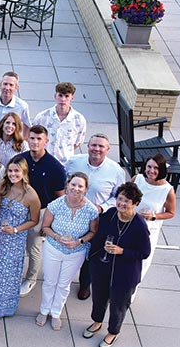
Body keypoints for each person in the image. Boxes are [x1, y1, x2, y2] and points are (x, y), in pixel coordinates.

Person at [85, 182, 151, 347]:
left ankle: (113, 332)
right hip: (103, 265)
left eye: (127, 201)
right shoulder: (111, 214)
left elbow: (144, 252)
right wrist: (93, 256)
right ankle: (97, 321)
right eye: (120, 199)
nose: (122, 203)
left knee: (118, 303)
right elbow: (99, 235)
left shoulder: (139, 225)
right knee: (99, 296)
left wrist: (122, 251)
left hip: (125, 272)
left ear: (135, 204)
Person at [0, 159, 42, 318]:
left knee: (6, 271)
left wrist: (16, 229)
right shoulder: (4, 186)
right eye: (10, 171)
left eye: (16, 171)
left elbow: (34, 220)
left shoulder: (31, 195)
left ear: (24, 172)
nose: (13, 174)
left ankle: (1, 306)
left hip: (14, 239)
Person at [66, 134, 129, 300]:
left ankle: (85, 284)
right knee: (68, 245)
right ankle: (63, 279)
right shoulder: (74, 161)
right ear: (88, 146)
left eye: (101, 146)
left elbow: (118, 196)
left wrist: (102, 207)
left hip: (97, 218)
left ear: (108, 150)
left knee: (91, 253)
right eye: (94, 145)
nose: (97, 149)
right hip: (72, 214)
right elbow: (64, 182)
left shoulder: (116, 171)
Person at [38, 172, 100, 331]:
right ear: (67, 185)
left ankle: (56, 312)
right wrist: (57, 237)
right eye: (73, 184)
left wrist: (78, 241)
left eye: (80, 186)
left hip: (76, 252)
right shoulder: (55, 205)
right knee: (50, 281)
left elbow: (93, 232)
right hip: (53, 248)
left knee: (63, 284)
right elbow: (45, 227)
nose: (76, 188)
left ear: (86, 190)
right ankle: (44, 310)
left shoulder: (91, 210)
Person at [19, 125, 66, 297]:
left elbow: (61, 199)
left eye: (39, 139)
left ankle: (30, 279)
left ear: (46, 141)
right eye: (32, 138)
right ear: (27, 139)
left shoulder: (56, 168)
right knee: (16, 245)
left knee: (33, 247)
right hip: (20, 209)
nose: (35, 142)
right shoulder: (20, 160)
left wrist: (50, 222)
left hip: (41, 212)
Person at [133, 153, 177, 280]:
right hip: (129, 223)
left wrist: (154, 216)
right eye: (149, 167)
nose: (151, 171)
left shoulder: (167, 190)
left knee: (142, 261)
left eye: (156, 168)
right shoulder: (137, 179)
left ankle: (131, 291)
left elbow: (171, 212)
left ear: (161, 170)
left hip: (148, 229)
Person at [32, 82, 87, 163]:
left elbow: (77, 142)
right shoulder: (42, 117)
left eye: (67, 96)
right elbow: (32, 137)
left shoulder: (79, 120)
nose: (63, 99)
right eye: (60, 95)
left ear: (72, 98)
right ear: (55, 96)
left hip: (66, 164)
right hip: (42, 161)